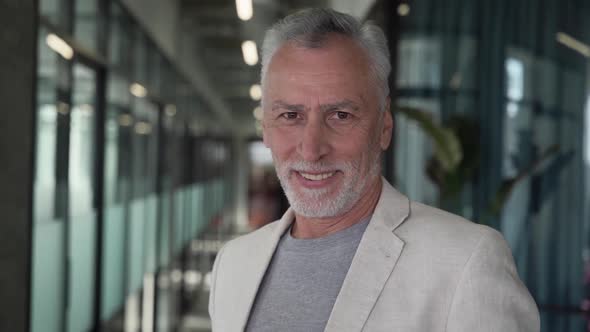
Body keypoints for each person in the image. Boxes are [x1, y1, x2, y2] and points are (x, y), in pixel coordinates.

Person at [208, 8, 540, 332]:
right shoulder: (234, 264)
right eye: (290, 116)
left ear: (384, 127)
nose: (311, 149)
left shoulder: (466, 263)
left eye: (340, 115)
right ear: (266, 128)